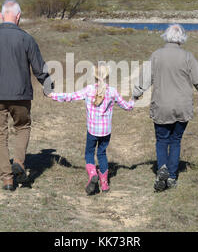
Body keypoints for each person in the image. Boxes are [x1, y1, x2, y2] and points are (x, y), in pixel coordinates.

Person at [0, 0, 54, 191]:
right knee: (23, 127)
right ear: (18, 17)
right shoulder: (26, 39)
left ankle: (8, 180)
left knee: (0, 136)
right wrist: (49, 87)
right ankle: (18, 161)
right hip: (21, 94)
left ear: (2, 16)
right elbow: (39, 68)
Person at [133, 24, 198, 192]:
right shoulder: (188, 57)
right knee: (176, 141)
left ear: (166, 36)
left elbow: (145, 78)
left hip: (161, 106)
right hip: (182, 107)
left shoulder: (156, 55)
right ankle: (172, 176)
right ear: (182, 38)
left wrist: (136, 94)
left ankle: (162, 168)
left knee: (162, 140)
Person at [48, 64, 134, 195]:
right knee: (102, 153)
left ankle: (93, 174)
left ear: (94, 75)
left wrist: (53, 95)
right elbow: (127, 106)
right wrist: (133, 100)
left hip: (92, 130)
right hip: (106, 131)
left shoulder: (88, 90)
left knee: (89, 153)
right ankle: (104, 184)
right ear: (107, 75)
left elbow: (70, 96)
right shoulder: (112, 91)